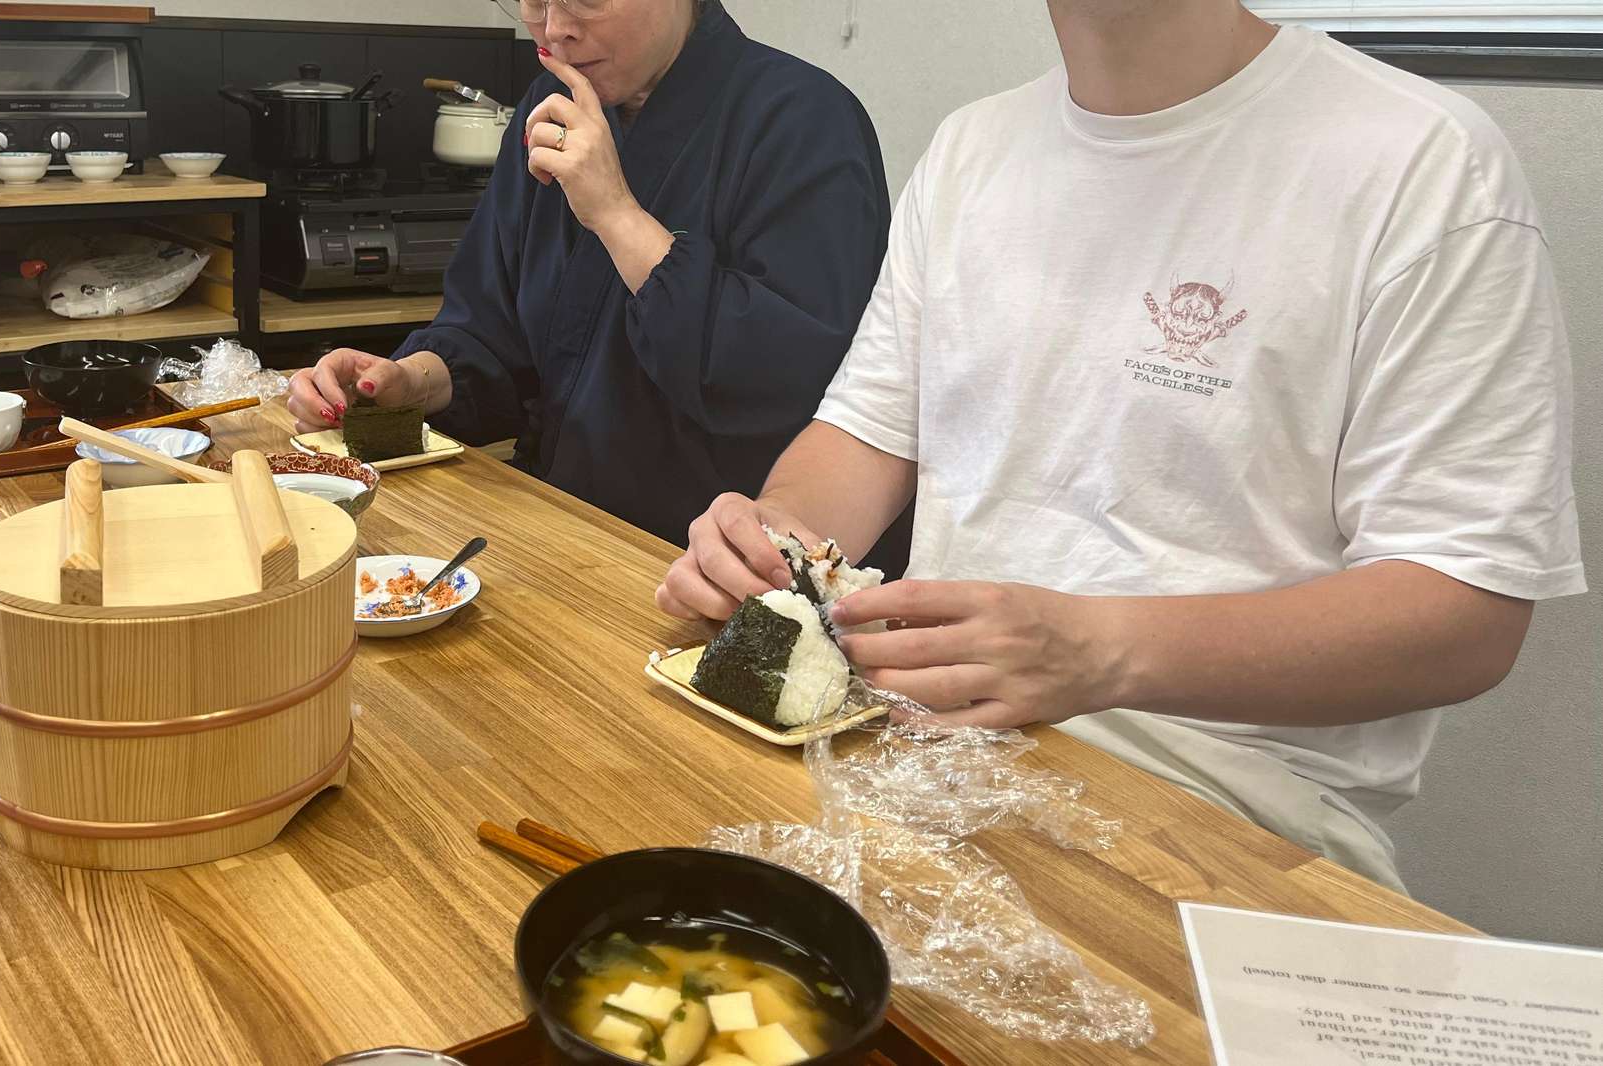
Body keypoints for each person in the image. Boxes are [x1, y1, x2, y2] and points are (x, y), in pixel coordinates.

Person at [659, 0, 1584, 891]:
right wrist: (771, 539)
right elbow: (868, 431)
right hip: (919, 752)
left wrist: (1101, 650)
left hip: (1231, 809)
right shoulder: (973, 149)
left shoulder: (1424, 164)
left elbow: (1466, 614)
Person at [286, 0, 899, 561]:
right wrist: (409, 381)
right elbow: (492, 333)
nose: (555, 28)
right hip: (560, 526)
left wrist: (615, 213)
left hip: (711, 560)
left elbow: (784, 383)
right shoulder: (546, 110)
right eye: (533, 1)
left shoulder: (803, 119)